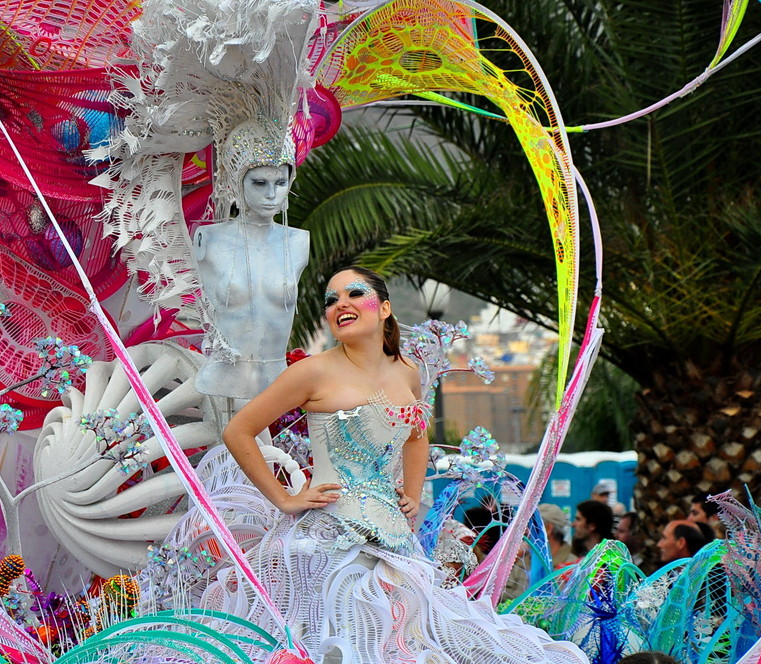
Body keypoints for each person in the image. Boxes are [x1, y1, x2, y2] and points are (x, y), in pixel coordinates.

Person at [161, 267, 590, 663]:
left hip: (396, 543)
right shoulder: (311, 372)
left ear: (384, 308)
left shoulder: (408, 372)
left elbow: (417, 434)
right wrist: (285, 499)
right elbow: (239, 431)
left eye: (355, 293)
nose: (340, 304)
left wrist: (414, 494)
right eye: (331, 300)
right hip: (326, 544)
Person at [194, 118, 311, 401]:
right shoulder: (209, 239)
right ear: (238, 182)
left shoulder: (298, 241)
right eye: (259, 183)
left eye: (280, 183)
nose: (271, 195)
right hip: (220, 384)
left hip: (278, 385)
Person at [538, 503, 578, 569]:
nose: (526, 531)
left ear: (548, 529)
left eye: (533, 527)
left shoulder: (571, 565)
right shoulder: (523, 559)